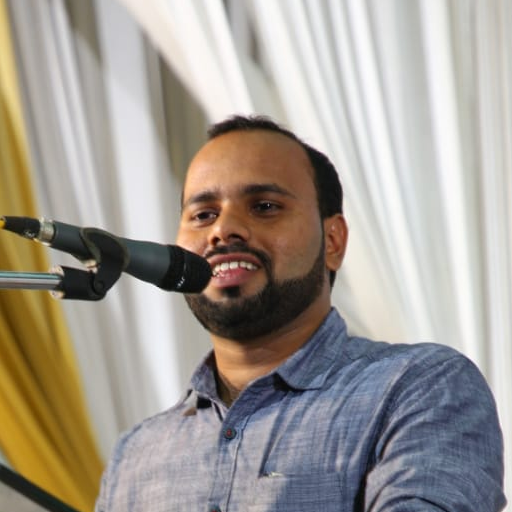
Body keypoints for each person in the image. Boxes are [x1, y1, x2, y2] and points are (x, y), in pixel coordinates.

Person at [95, 115, 506, 512]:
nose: (223, 229)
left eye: (264, 206)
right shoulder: (136, 455)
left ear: (333, 241)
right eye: (203, 215)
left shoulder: (416, 387)